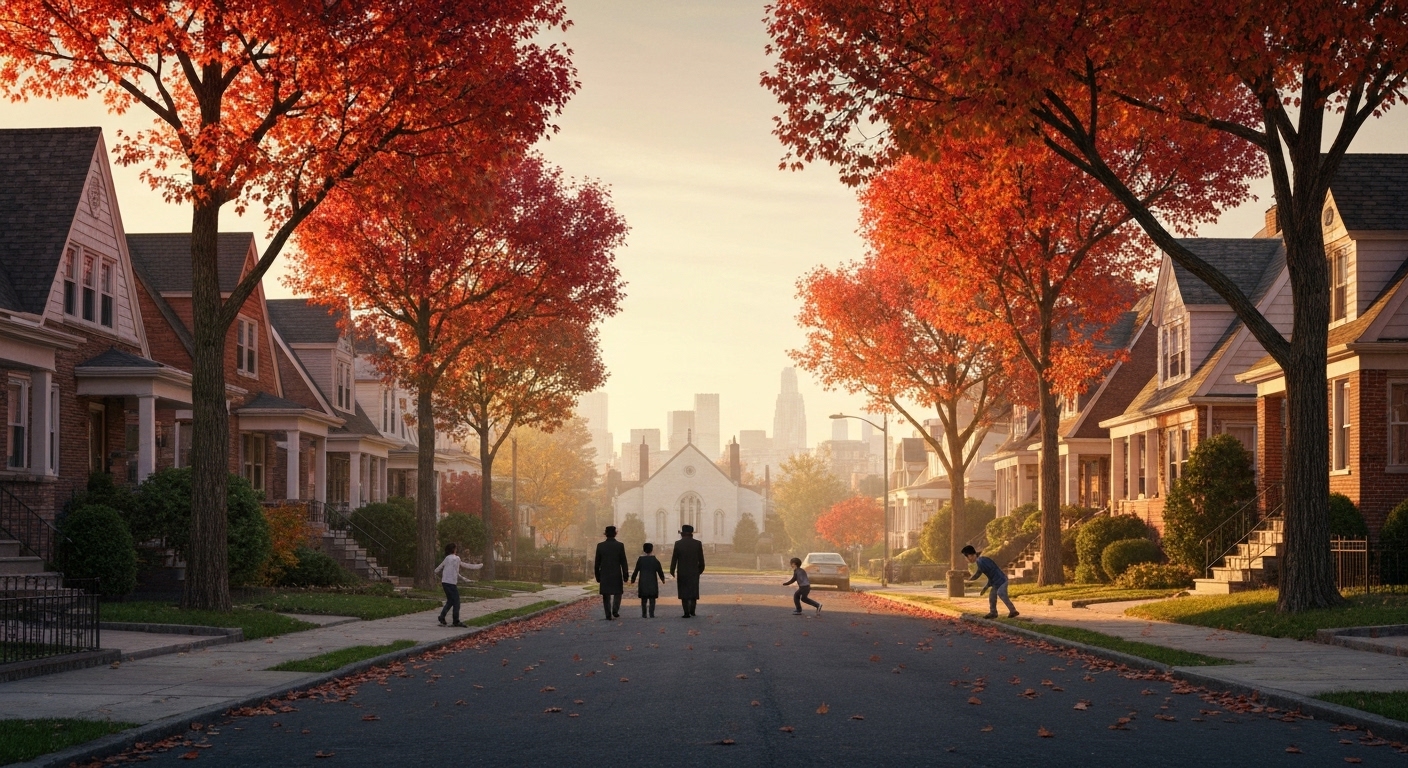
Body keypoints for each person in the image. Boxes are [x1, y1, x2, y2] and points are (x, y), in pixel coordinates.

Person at [962, 544, 1019, 619]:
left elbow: (987, 573)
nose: (966, 560)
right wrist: (970, 581)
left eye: (966, 557)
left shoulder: (982, 561)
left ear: (970, 556)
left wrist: (972, 582)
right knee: (992, 596)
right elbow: (981, 573)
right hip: (996, 582)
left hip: (1001, 580)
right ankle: (993, 613)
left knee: (1001, 593)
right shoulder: (980, 561)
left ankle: (1013, 611)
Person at [434, 542, 482, 627]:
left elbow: (438, 569)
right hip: (451, 583)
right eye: (456, 548)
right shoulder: (456, 559)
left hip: (445, 583)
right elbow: (465, 566)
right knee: (456, 602)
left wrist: (439, 574)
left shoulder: (447, 558)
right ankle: (456, 621)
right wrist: (479, 566)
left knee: (450, 601)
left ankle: (442, 617)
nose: (456, 550)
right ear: (454, 549)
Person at [669, 524, 706, 618]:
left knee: (683, 591)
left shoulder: (678, 544)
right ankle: (692, 611)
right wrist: (699, 570)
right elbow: (701, 560)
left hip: (682, 571)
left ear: (682, 533)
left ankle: (686, 612)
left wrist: (672, 570)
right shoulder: (697, 544)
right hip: (694, 571)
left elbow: (674, 559)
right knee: (693, 591)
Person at [594, 525, 630, 621]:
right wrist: (625, 575)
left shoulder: (600, 546)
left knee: (606, 594)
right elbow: (623, 561)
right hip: (616, 572)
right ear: (615, 533)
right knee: (618, 592)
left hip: (605, 573)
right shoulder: (619, 545)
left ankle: (608, 614)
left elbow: (597, 563)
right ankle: (615, 609)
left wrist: (597, 575)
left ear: (605, 534)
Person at [630, 542, 667, 618]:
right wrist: (662, 578)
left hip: (643, 582)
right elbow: (659, 570)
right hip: (652, 582)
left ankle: (644, 613)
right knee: (652, 599)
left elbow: (636, 570)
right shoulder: (654, 560)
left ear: (643, 550)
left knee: (644, 599)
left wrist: (633, 579)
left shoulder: (640, 560)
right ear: (652, 549)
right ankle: (651, 613)